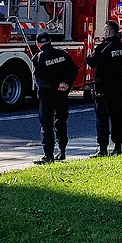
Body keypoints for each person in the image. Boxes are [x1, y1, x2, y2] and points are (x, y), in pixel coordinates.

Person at [31, 32, 79, 164]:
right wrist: (66, 84)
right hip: (62, 95)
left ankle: (48, 155)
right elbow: (74, 69)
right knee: (61, 122)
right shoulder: (62, 54)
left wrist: (56, 85)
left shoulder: (39, 58)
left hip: (47, 96)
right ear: (50, 41)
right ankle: (62, 151)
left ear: (38, 44)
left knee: (46, 125)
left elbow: (40, 80)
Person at [86, 20, 122, 157]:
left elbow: (91, 62)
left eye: (105, 30)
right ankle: (118, 147)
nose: (103, 33)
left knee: (102, 119)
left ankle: (102, 149)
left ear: (108, 31)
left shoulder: (104, 47)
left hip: (104, 88)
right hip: (117, 87)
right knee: (117, 118)